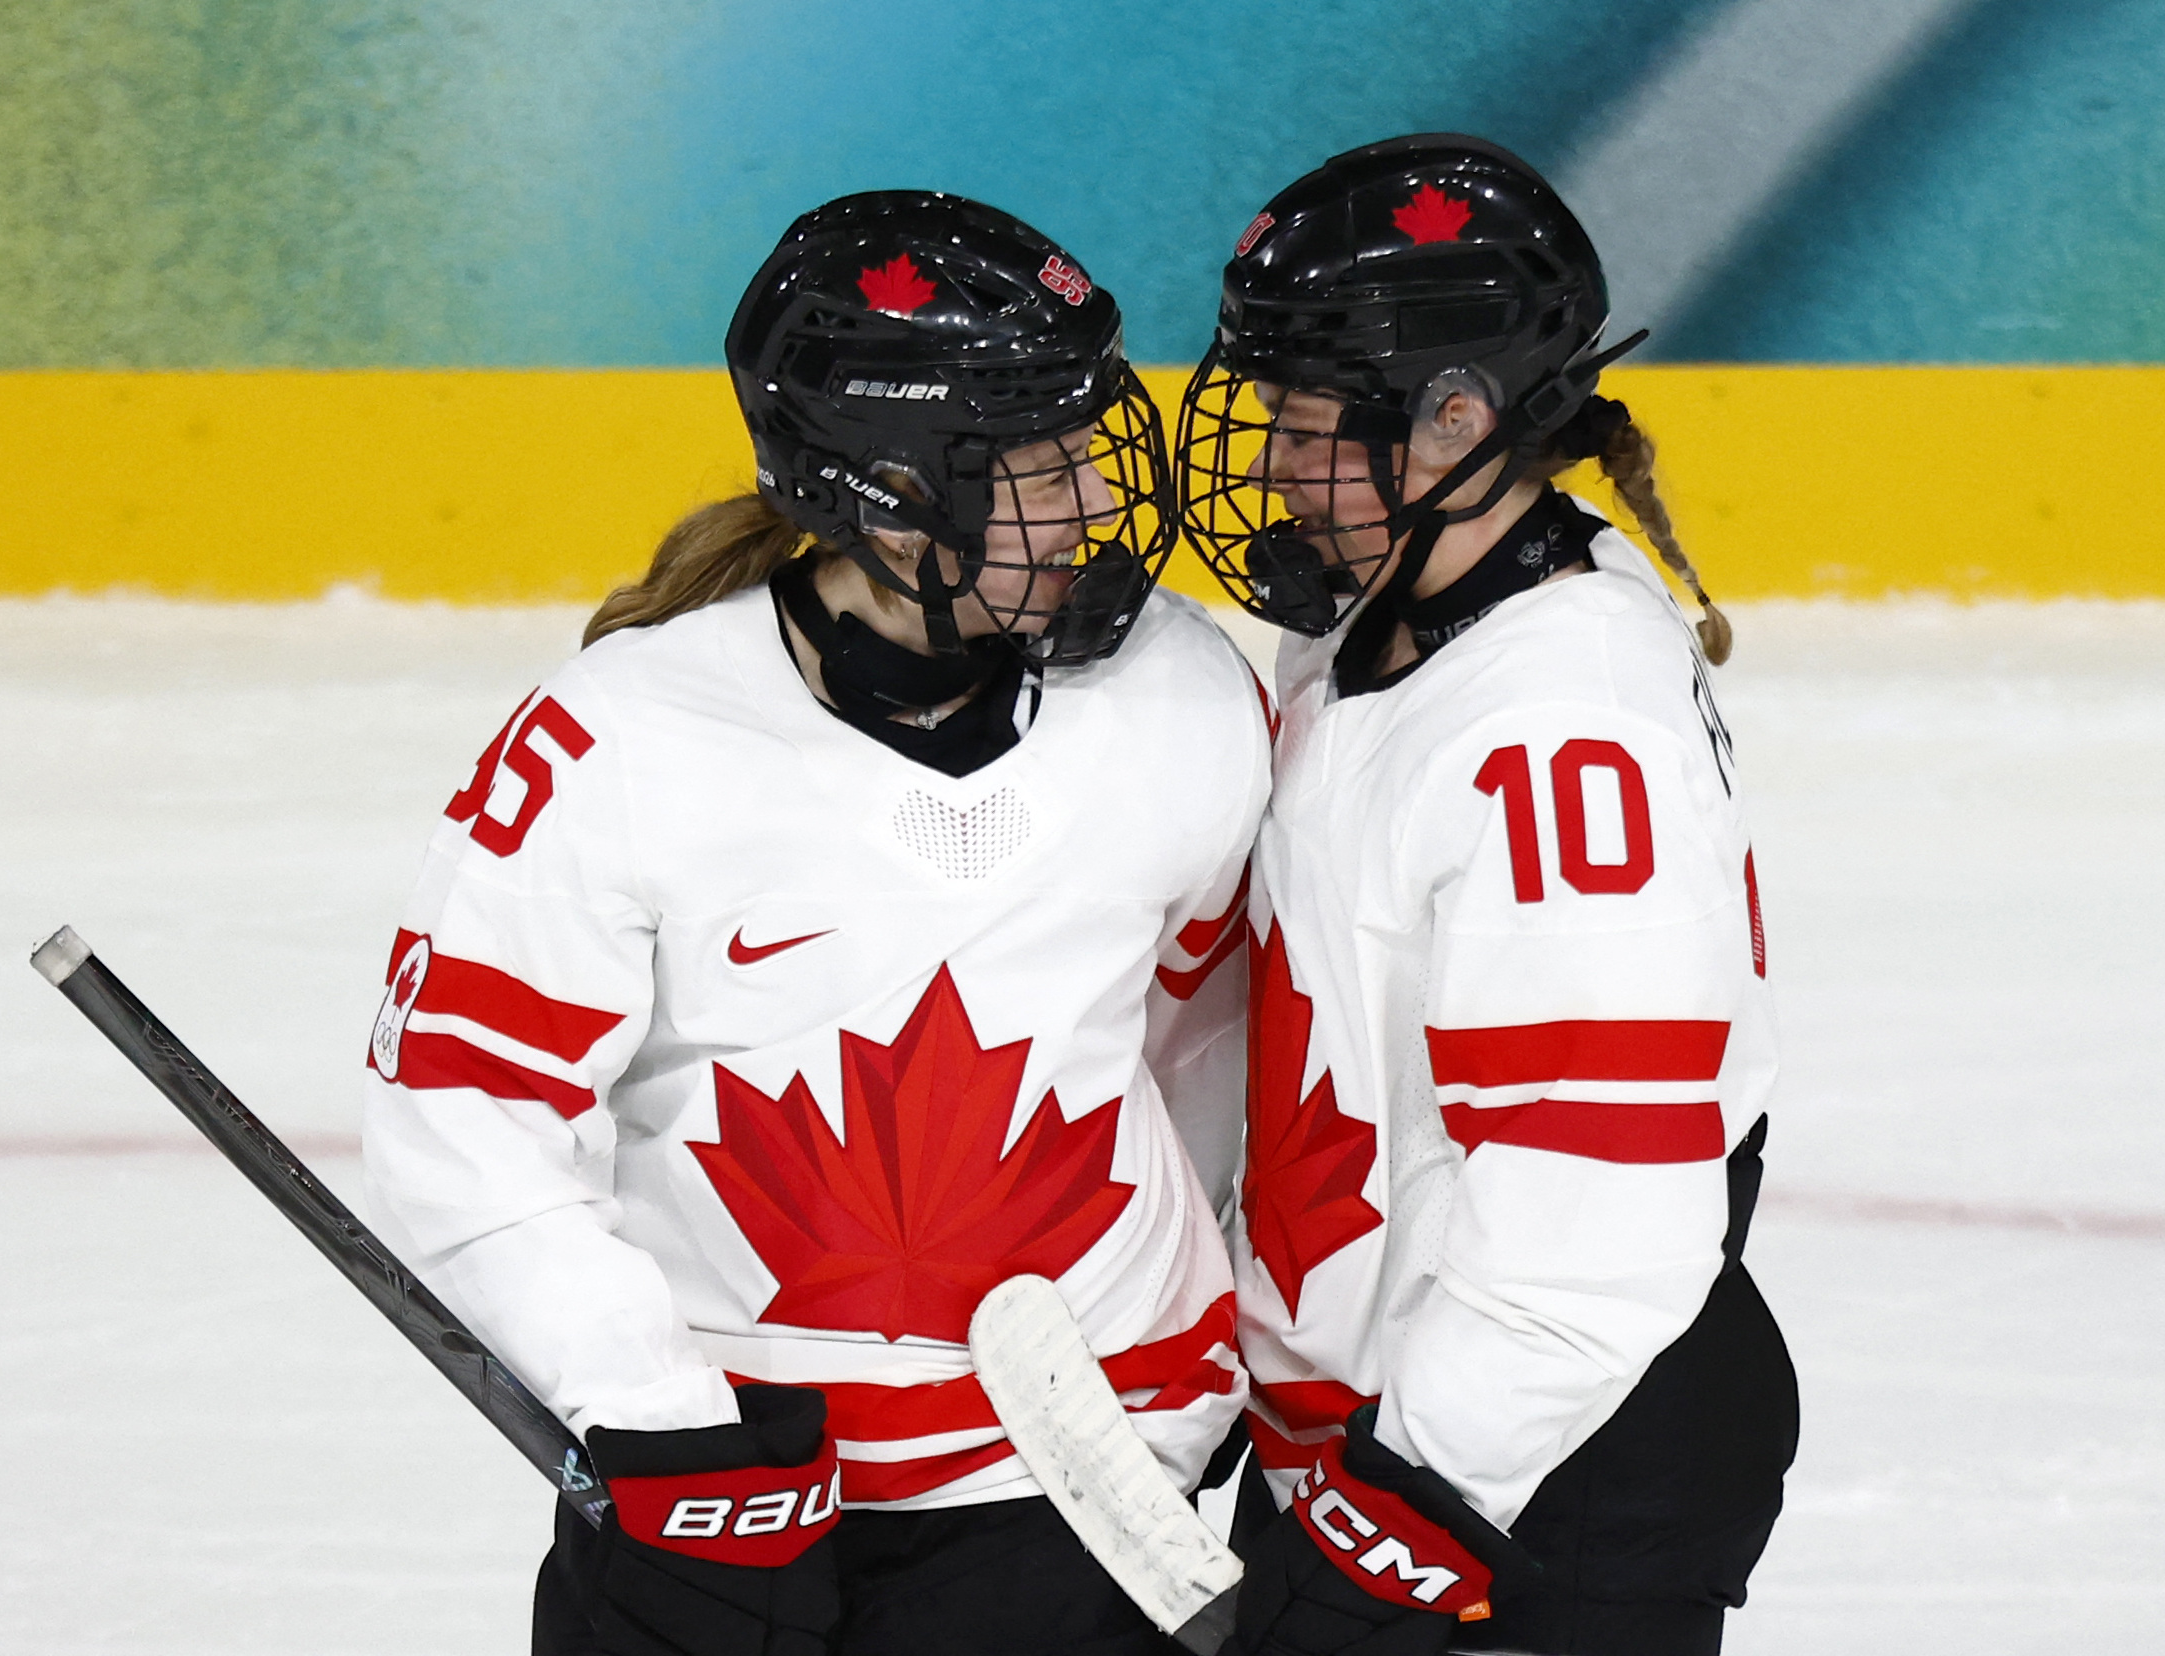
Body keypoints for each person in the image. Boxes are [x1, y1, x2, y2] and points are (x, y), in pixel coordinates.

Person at [360, 191, 1271, 1656]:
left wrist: (1169, 1397)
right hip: (730, 1490)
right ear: (887, 496)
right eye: (1036, 466)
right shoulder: (620, 742)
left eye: (1087, 443)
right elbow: (468, 1112)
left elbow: (1205, 1045)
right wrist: (663, 1437)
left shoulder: (1186, 697)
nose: (1097, 504)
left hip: (1081, 1491)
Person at [1173, 135, 1797, 1656]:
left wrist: (1407, 1510)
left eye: (1310, 427)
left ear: (1455, 418)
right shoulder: (1379, 616)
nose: (1270, 468)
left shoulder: (1563, 725)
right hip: (1388, 1449)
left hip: (1539, 1482)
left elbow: (1604, 1209)